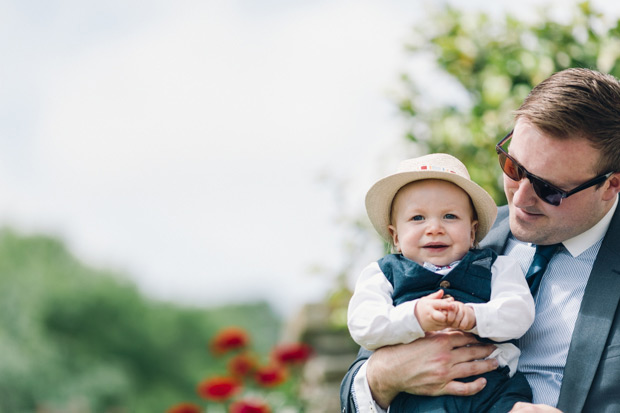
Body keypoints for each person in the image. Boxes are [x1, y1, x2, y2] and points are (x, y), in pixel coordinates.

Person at [340, 67, 620, 413]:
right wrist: (384, 376)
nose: (520, 199)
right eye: (513, 168)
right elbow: (359, 381)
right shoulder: (452, 236)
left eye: (549, 189)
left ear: (610, 185)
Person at [347, 153, 535, 412]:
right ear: (396, 237)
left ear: (472, 232)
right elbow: (363, 323)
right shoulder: (382, 274)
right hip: (418, 396)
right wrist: (414, 317)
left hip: (493, 389)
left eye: (449, 216)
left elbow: (519, 313)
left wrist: (473, 316)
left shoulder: (496, 267)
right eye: (417, 218)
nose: (434, 228)